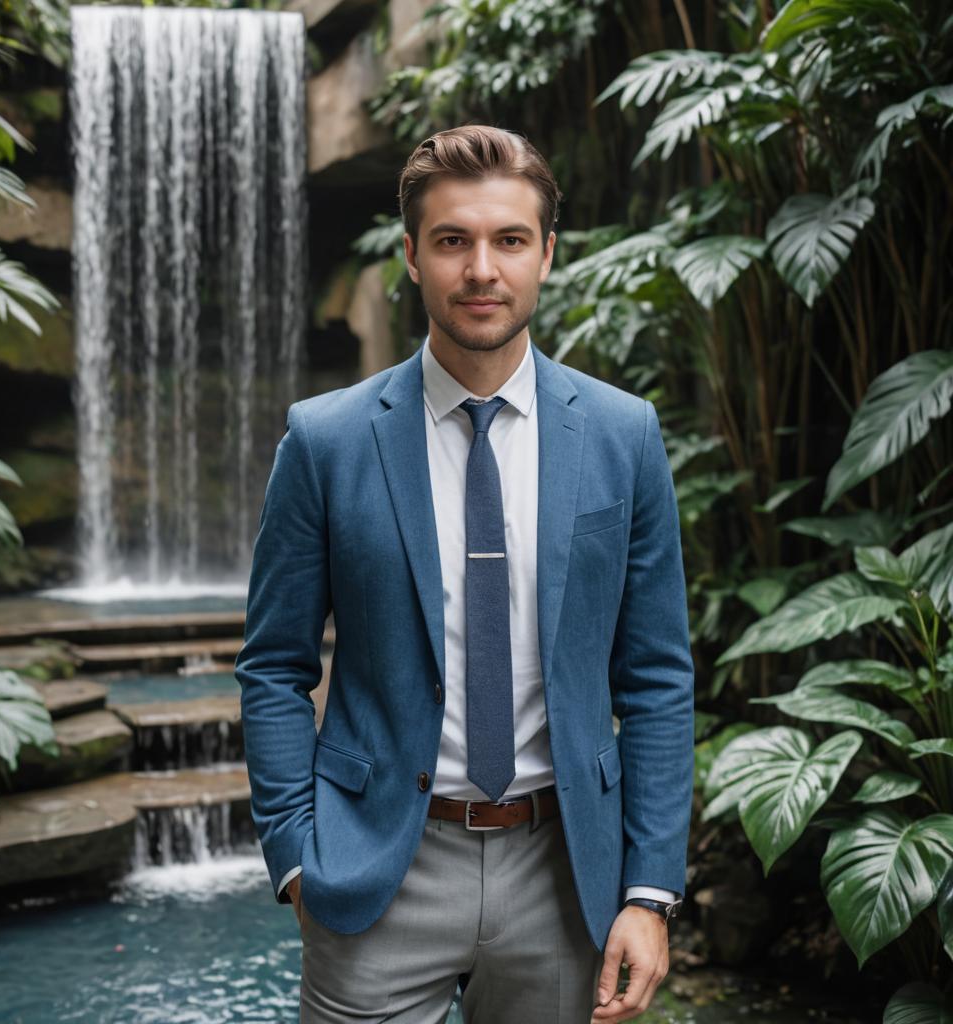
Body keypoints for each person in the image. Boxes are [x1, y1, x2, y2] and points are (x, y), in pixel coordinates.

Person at [235, 124, 694, 1024]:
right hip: (376, 868)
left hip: (564, 875)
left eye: (509, 240)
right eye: (453, 241)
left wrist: (649, 891)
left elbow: (657, 676)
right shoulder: (325, 441)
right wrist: (295, 856)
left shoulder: (622, 434)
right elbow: (273, 663)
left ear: (547, 255)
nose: (481, 269)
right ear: (411, 255)